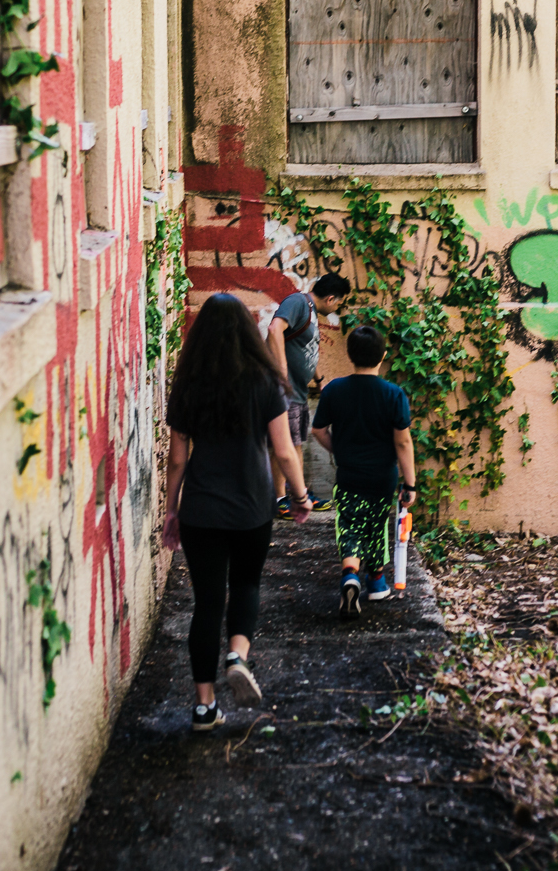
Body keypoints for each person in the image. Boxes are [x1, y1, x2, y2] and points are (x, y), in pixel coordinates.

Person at [162, 293, 317, 732]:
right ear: (248, 334)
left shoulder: (188, 386)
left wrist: (171, 511)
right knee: (246, 583)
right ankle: (237, 655)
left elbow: (177, 459)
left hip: (201, 510)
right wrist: (300, 498)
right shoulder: (265, 383)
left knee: (206, 602)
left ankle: (204, 707)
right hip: (253, 506)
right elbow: (284, 452)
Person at [312, 324, 416, 619]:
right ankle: (377, 582)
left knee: (349, 526)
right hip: (382, 477)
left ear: (350, 355)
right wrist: (410, 483)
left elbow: (318, 430)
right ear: (383, 355)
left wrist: (339, 450)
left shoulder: (334, 390)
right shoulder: (394, 394)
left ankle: (349, 575)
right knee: (376, 527)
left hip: (348, 476)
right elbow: (403, 441)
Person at [265, 271, 351, 514]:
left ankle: (298, 494)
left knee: (297, 443)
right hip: (286, 390)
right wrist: (282, 370)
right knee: (285, 444)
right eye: (339, 303)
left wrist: (317, 379)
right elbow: (274, 329)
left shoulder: (311, 312)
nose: (337, 309)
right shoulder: (298, 303)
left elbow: (307, 348)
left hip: (300, 391)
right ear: (332, 298)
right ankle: (280, 499)